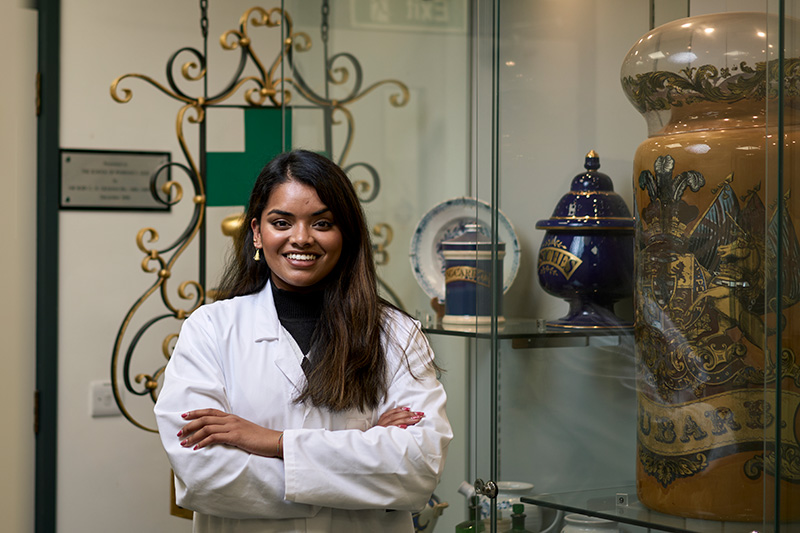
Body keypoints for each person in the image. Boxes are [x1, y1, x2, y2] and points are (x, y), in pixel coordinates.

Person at [154, 149, 453, 532]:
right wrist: (363, 451)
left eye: (322, 223)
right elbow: (205, 477)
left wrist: (272, 442)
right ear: (257, 233)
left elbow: (419, 469)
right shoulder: (210, 329)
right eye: (281, 222)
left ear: (346, 233)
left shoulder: (395, 333)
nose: (301, 238)